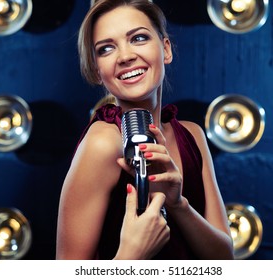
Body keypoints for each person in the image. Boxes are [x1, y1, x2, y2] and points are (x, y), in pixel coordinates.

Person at [56, 0, 234, 260]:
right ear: (97, 70)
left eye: (138, 38)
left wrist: (178, 205)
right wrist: (131, 255)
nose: (125, 56)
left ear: (166, 49)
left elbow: (225, 261)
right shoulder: (103, 143)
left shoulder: (193, 135)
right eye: (106, 49)